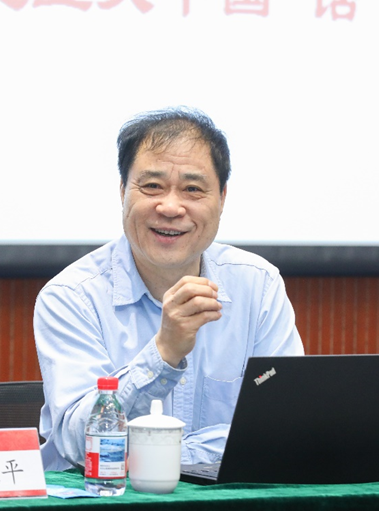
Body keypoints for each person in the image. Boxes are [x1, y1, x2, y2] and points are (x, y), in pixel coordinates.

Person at [34, 107, 304, 471]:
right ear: (122, 191)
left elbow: (287, 424)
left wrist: (169, 453)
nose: (171, 207)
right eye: (152, 186)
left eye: (192, 189)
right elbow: (80, 444)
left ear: (222, 198)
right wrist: (164, 352)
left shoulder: (258, 286)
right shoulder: (71, 296)